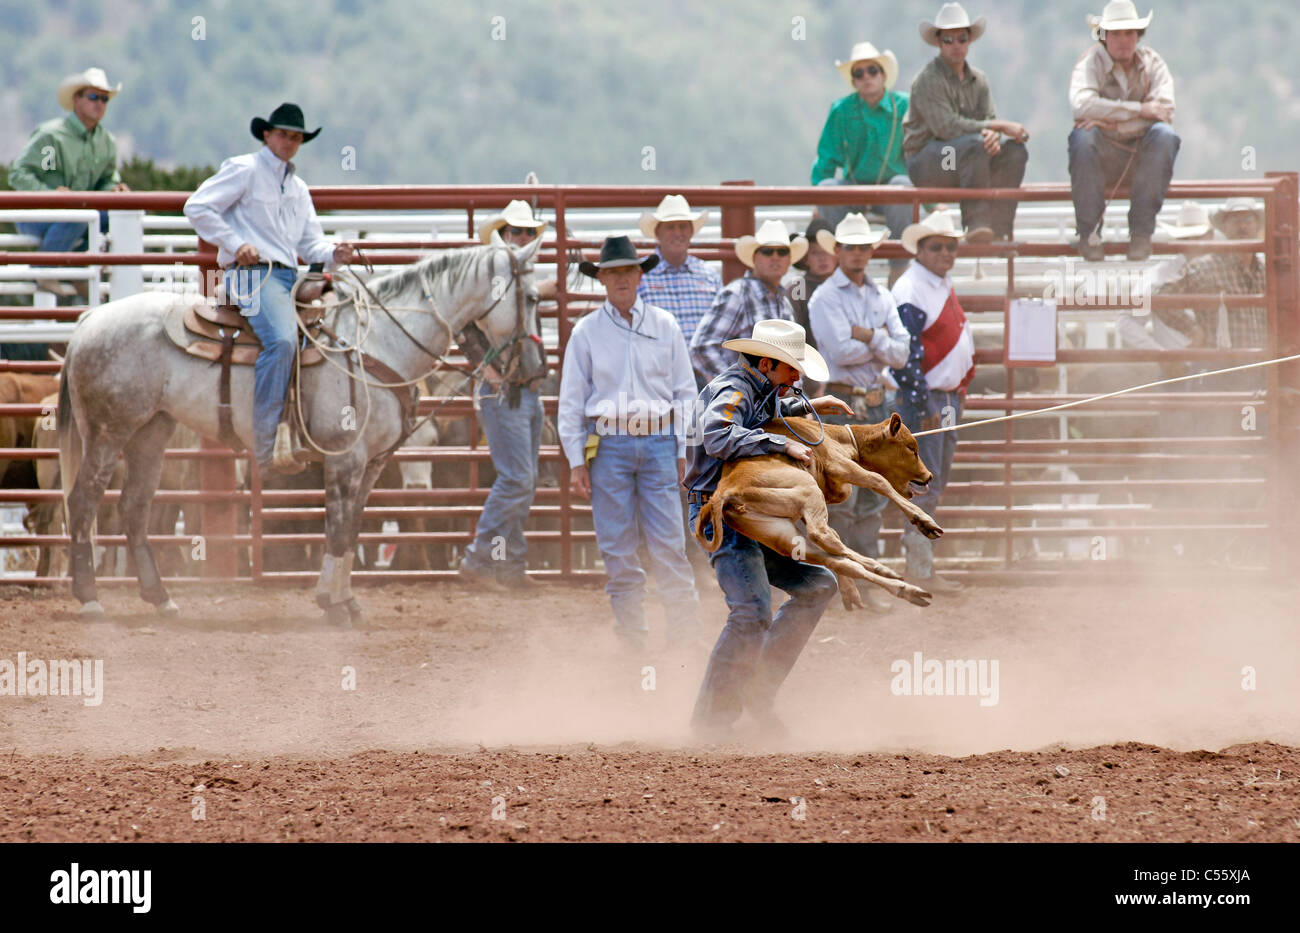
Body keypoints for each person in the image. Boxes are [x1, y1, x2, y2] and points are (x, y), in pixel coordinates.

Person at [684, 319, 851, 740]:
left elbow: (763, 415)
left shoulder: (761, 389)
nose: (797, 378)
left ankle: (758, 690)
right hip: (722, 512)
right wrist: (781, 444)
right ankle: (709, 723)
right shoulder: (733, 389)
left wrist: (807, 407)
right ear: (766, 363)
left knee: (816, 585)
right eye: (792, 369)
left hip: (754, 511)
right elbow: (717, 433)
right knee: (752, 610)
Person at [183, 102, 357, 476]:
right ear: (267, 135)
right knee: (281, 341)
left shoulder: (298, 189)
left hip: (286, 277)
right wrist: (234, 242)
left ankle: (305, 426)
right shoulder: (244, 170)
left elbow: (312, 246)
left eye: (296, 137)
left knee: (339, 331)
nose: (289, 142)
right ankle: (264, 448)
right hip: (252, 275)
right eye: (283, 134)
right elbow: (197, 207)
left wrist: (335, 253)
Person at [557, 236, 700, 652]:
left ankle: (684, 639)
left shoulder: (665, 326)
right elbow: (571, 403)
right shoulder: (586, 333)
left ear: (640, 275)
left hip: (656, 442)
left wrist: (680, 449)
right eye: (613, 272)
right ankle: (635, 640)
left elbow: (685, 394)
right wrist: (576, 462)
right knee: (618, 548)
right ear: (601, 278)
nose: (621, 278)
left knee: (670, 546)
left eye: (627, 271)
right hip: (609, 444)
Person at [807, 213, 912, 611]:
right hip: (844, 403)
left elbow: (901, 354)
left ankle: (862, 586)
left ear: (871, 250)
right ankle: (841, 587)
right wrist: (881, 341)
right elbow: (837, 352)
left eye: (862, 247)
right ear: (837, 251)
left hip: (874, 405)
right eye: (850, 247)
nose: (856, 254)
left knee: (871, 499)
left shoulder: (879, 295)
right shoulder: (825, 297)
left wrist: (865, 334)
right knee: (843, 498)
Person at [456, 200, 554, 592]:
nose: (524, 238)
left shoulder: (516, 279)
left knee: (521, 480)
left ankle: (509, 565)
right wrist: (488, 369)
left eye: (529, 233)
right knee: (518, 479)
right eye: (517, 232)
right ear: (502, 236)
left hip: (524, 389)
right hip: (505, 392)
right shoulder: (492, 281)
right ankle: (481, 558)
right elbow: (462, 326)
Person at [891, 208, 975, 594]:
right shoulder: (912, 289)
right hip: (928, 400)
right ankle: (920, 569)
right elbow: (906, 357)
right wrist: (922, 403)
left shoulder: (933, 284)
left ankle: (921, 564)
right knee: (926, 482)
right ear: (921, 250)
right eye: (938, 246)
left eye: (951, 246)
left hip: (942, 397)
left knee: (930, 481)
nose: (946, 252)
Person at [903, 3, 1030, 243]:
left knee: (1015, 152)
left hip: (970, 162)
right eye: (949, 40)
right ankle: (976, 224)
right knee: (972, 146)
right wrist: (997, 129)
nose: (956, 46)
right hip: (929, 163)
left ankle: (1000, 227)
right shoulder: (927, 80)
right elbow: (947, 128)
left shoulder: (979, 80)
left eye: (961, 39)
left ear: (969, 40)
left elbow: (987, 121)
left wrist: (993, 138)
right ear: (939, 42)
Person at [1068, 1, 1179, 262]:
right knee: (1082, 139)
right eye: (1116, 33)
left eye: (1129, 33)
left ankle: (1141, 233)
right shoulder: (1089, 63)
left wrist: (1112, 122)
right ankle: (1089, 232)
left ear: (1138, 36)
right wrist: (1141, 110)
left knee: (1165, 136)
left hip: (1142, 155)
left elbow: (1164, 112)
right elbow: (1081, 106)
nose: (1123, 40)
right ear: (1104, 36)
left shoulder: (1154, 63)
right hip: (1101, 155)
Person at [9, 67, 130, 300]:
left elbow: (105, 181)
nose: (100, 104)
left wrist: (114, 189)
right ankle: (47, 269)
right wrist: (49, 194)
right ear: (77, 100)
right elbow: (19, 173)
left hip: (75, 217)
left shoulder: (106, 142)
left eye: (104, 99)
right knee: (80, 212)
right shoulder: (52, 136)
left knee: (115, 215)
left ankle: (77, 265)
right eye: (93, 97)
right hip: (38, 216)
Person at [812, 41, 913, 280]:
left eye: (872, 71)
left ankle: (899, 268)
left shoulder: (906, 105)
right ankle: (840, 268)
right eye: (859, 73)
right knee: (827, 189)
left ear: (883, 75)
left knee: (903, 186)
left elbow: (919, 154)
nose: (866, 77)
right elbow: (826, 158)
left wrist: (930, 203)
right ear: (854, 80)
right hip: (854, 189)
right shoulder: (841, 110)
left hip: (891, 193)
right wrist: (816, 197)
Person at [690, 219, 807, 383]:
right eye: (767, 251)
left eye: (782, 252)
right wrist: (740, 386)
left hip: (776, 402)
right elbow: (701, 348)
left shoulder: (783, 301)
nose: (775, 257)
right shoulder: (738, 294)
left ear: (789, 259)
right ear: (754, 258)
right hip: (749, 404)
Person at [1154, 199, 1266, 353]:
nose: (1242, 226)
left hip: (1263, 360)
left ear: (1258, 226)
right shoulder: (1203, 267)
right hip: (1222, 361)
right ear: (1224, 228)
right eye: (1235, 221)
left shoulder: (1266, 269)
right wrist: (1193, 329)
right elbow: (1161, 301)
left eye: (1248, 220)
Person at [1115, 201, 1211, 358]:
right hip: (1185, 364)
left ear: (1210, 236)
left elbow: (1126, 322)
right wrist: (1161, 356)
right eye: (1187, 237)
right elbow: (1127, 322)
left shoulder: (1160, 275)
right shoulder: (1158, 276)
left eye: (1198, 236)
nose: (1193, 243)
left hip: (1212, 363)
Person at [636, 195, 722, 356]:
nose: (678, 233)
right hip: (657, 369)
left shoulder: (709, 275)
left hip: (704, 371)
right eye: (670, 227)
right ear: (657, 232)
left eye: (683, 226)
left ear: (691, 231)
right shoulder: (639, 275)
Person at [478, 199, 557, 299]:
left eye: (530, 231)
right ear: (502, 235)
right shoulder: (492, 263)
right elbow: (498, 298)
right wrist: (536, 290)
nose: (524, 237)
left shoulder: (525, 265)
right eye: (516, 230)